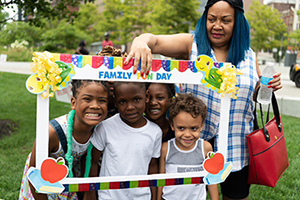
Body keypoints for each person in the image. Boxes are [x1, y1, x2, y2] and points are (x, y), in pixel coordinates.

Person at [124, 0, 283, 199]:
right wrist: (140, 42)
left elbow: (253, 94)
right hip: (192, 143)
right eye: (211, 19)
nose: (217, 26)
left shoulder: (249, 56)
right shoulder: (192, 45)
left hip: (237, 147)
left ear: (238, 23)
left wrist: (266, 86)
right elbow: (154, 40)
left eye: (226, 20)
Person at [19, 80, 108, 200]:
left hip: (69, 180)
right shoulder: (51, 133)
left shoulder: (99, 130)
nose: (95, 106)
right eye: (87, 99)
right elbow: (34, 177)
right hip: (42, 185)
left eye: (102, 101)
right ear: (73, 103)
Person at [88, 82, 162, 200]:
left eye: (136, 99)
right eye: (122, 102)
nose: (130, 107)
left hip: (142, 197)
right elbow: (92, 162)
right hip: (109, 196)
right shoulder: (105, 127)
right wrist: (91, 194)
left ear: (146, 97)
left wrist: (153, 197)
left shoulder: (155, 132)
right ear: (115, 101)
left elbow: (152, 167)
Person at [158, 93, 218, 200]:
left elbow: (212, 179)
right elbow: (161, 179)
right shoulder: (166, 148)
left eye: (193, 128)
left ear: (201, 126)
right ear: (172, 126)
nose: (187, 134)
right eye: (181, 128)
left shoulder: (206, 148)